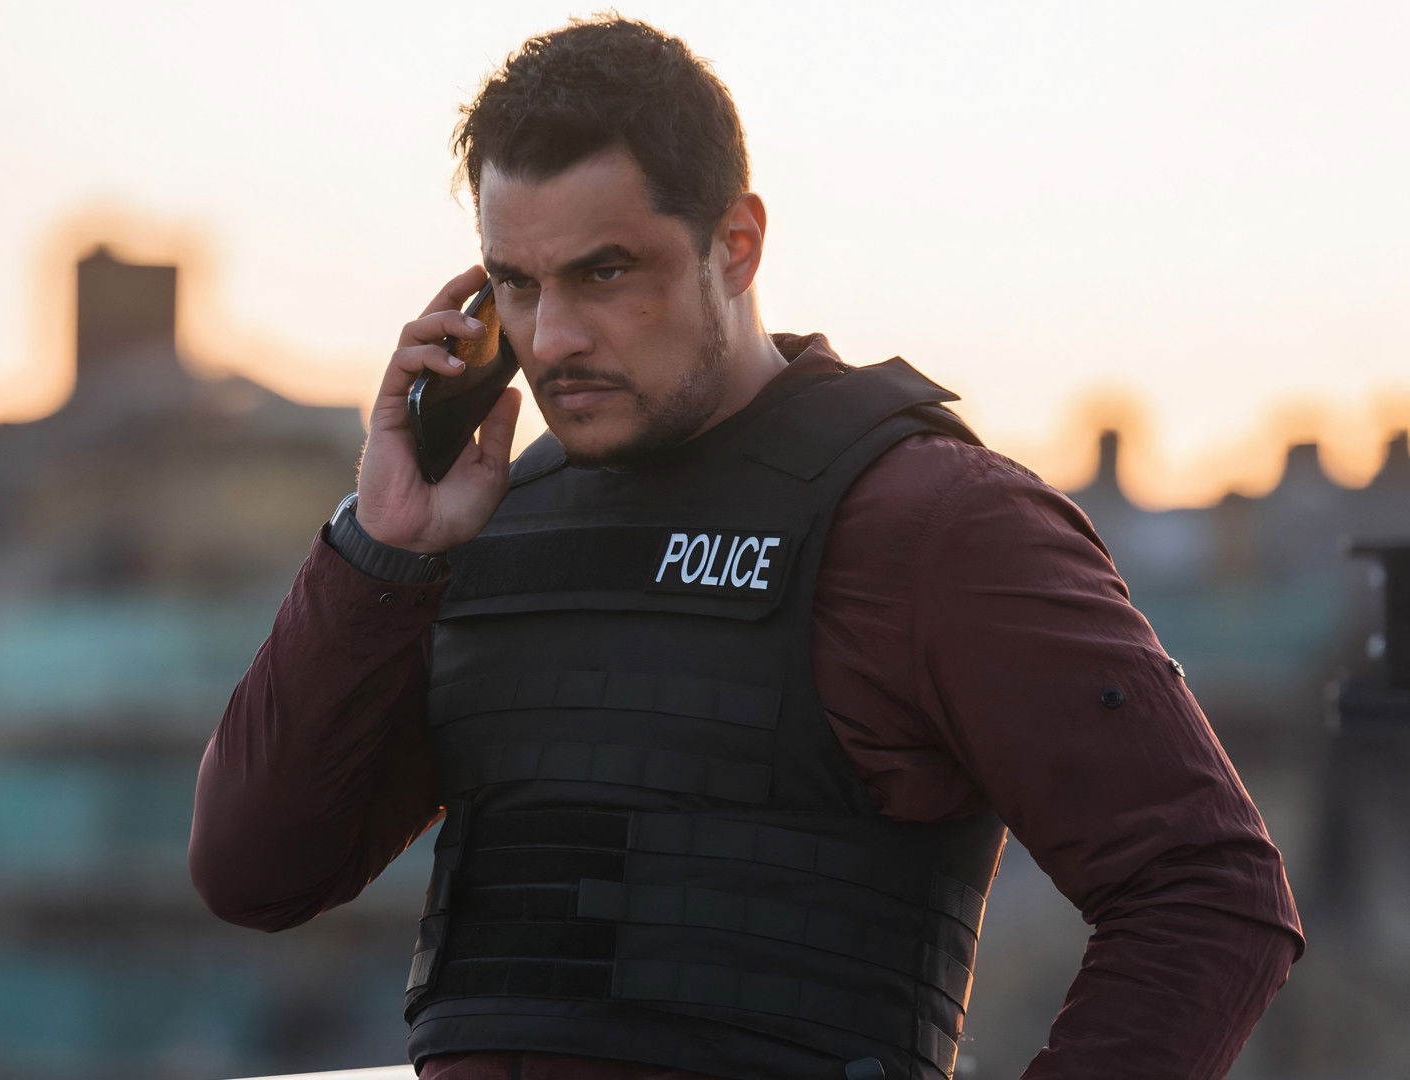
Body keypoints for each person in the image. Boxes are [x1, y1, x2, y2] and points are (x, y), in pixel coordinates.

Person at [190, 16, 1303, 1080]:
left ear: (736, 245)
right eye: (518, 285)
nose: (554, 338)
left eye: (606, 272)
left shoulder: (933, 521)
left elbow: (1209, 892)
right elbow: (255, 876)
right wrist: (380, 549)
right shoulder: (484, 528)